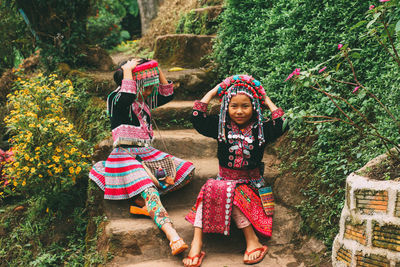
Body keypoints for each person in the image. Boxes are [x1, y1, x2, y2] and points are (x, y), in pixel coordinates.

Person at [89, 58, 194, 256]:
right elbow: (127, 95)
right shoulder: (116, 99)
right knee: (150, 190)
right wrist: (128, 69)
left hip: (147, 154)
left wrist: (155, 68)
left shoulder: (143, 101)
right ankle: (173, 236)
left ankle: (146, 204)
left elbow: (166, 94)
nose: (149, 91)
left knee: (186, 171)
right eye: (145, 86)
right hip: (125, 155)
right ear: (132, 82)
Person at [182, 74, 288, 266]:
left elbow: (281, 124)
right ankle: (196, 243)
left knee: (230, 190)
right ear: (226, 107)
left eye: (245, 106)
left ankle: (253, 241)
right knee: (210, 188)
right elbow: (197, 116)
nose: (239, 111)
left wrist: (265, 98)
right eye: (234, 106)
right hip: (223, 182)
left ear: (254, 106)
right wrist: (216, 90)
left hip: (251, 186)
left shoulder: (260, 129)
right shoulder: (220, 126)